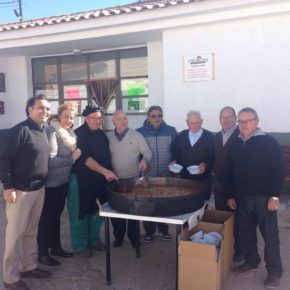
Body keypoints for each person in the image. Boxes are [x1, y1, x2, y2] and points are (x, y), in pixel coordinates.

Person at [224, 107, 284, 289]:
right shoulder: (235, 143)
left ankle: (274, 272)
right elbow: (228, 172)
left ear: (257, 121)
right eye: (240, 122)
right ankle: (251, 261)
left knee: (270, 237)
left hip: (263, 198)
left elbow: (278, 171)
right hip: (241, 197)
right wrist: (230, 195)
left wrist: (274, 196)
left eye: (247, 121)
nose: (243, 124)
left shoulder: (268, 142)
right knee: (245, 233)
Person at [2, 95, 52, 290]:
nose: (45, 111)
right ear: (29, 109)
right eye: (40, 107)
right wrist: (8, 186)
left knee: (31, 231)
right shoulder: (20, 131)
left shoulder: (43, 131)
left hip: (39, 189)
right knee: (14, 235)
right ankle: (10, 278)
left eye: (47, 108)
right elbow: (4, 158)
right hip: (20, 191)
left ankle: (28, 266)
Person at [67, 103, 118, 258]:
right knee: (80, 213)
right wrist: (105, 171)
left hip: (99, 180)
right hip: (81, 180)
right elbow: (86, 159)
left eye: (99, 118)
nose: (97, 121)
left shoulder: (102, 134)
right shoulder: (78, 134)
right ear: (85, 118)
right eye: (94, 118)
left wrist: (109, 172)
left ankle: (94, 240)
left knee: (97, 211)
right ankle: (80, 246)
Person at [37, 102, 81, 266]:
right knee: (47, 218)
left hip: (63, 182)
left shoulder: (69, 133)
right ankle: (42, 253)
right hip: (51, 184)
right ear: (58, 116)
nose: (68, 120)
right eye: (66, 116)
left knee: (56, 217)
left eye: (71, 117)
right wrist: (72, 158)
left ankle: (55, 247)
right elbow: (51, 160)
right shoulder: (52, 132)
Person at [107, 110, 152, 248]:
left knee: (133, 210)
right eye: (119, 119)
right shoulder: (107, 137)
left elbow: (147, 151)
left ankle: (133, 237)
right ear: (113, 121)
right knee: (116, 211)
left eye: (125, 118)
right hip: (115, 180)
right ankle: (118, 237)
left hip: (133, 179)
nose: (123, 121)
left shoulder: (136, 135)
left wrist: (144, 160)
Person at [137, 105, 178, 242]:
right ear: (148, 117)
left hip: (166, 173)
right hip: (149, 173)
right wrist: (142, 163)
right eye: (153, 116)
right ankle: (149, 231)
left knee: (163, 203)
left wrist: (174, 161)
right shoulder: (140, 132)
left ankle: (163, 229)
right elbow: (138, 153)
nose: (157, 118)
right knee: (148, 203)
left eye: (159, 115)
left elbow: (177, 150)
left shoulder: (171, 130)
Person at [212, 106, 243, 262]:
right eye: (222, 117)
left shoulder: (241, 135)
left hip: (236, 186)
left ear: (235, 117)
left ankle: (240, 250)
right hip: (219, 184)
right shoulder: (217, 136)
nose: (225, 120)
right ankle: (224, 245)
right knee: (222, 217)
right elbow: (215, 158)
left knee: (237, 220)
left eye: (229, 116)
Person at [172, 110, 214, 201]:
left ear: (201, 121)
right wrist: (174, 161)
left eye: (197, 123)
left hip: (203, 180)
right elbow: (176, 153)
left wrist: (204, 164)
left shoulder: (209, 136)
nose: (194, 125)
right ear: (187, 123)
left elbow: (212, 156)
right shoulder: (182, 135)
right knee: (186, 203)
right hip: (185, 179)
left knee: (202, 205)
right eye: (191, 123)